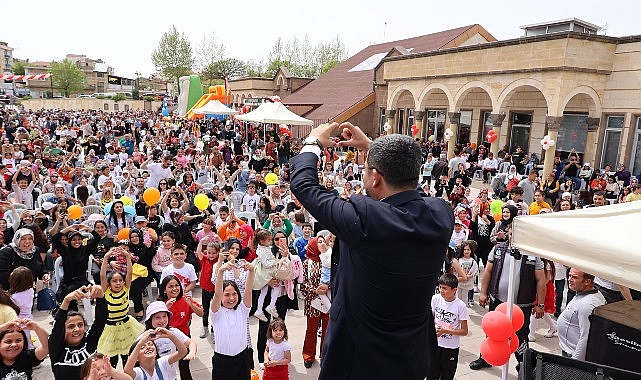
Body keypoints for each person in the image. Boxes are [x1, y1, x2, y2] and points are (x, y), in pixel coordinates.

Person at [290, 122, 454, 379]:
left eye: (367, 170)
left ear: (375, 176)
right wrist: (375, 150)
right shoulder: (441, 213)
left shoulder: (365, 218)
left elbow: (304, 186)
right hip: (411, 356)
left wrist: (313, 143)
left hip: (358, 361)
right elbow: (412, 192)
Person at [470, 227, 547, 370]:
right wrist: (483, 293)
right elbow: (488, 271)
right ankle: (486, 357)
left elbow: (541, 281)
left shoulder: (533, 254)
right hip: (498, 301)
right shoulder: (498, 249)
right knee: (493, 331)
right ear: (508, 234)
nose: (514, 237)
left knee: (521, 336)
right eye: (512, 234)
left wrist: (540, 304)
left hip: (522, 305)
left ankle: (524, 365)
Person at [97, 247, 145, 368]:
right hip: (110, 328)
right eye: (114, 281)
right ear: (109, 283)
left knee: (128, 357)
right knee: (112, 360)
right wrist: (106, 257)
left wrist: (127, 256)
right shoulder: (105, 291)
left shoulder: (125, 289)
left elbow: (129, 272)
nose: (118, 283)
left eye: (120, 280)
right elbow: (103, 276)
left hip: (126, 326)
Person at [210, 258, 255, 380]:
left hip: (242, 359)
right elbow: (217, 294)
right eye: (227, 294)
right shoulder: (216, 312)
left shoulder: (243, 309)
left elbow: (248, 290)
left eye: (234, 294)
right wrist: (220, 272)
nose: (231, 298)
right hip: (223, 362)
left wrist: (251, 271)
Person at [49, 285, 107, 380]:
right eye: (71, 326)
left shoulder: (89, 342)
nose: (77, 329)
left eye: (80, 325)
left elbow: (101, 319)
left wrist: (101, 296)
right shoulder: (57, 348)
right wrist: (67, 300)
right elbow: (58, 326)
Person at [158, 275, 203, 380]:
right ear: (164, 290)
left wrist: (191, 304)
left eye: (176, 285)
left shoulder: (185, 299)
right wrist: (165, 308)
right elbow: (153, 321)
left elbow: (201, 313)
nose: (174, 289)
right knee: (165, 366)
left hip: (183, 338)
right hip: (166, 340)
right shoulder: (160, 304)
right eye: (170, 286)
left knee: (184, 367)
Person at [557, 268, 606, 360]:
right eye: (569, 275)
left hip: (572, 354)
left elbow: (586, 336)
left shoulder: (586, 305)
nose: (569, 279)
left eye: (575, 277)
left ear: (587, 281)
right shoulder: (586, 294)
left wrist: (575, 361)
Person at [429, 273, 469, 380]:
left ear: (454, 290)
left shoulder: (461, 306)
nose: (441, 290)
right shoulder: (435, 299)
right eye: (440, 287)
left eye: (445, 288)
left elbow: (464, 331)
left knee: (447, 376)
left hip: (451, 347)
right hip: (435, 345)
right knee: (432, 374)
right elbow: (431, 318)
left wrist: (446, 331)